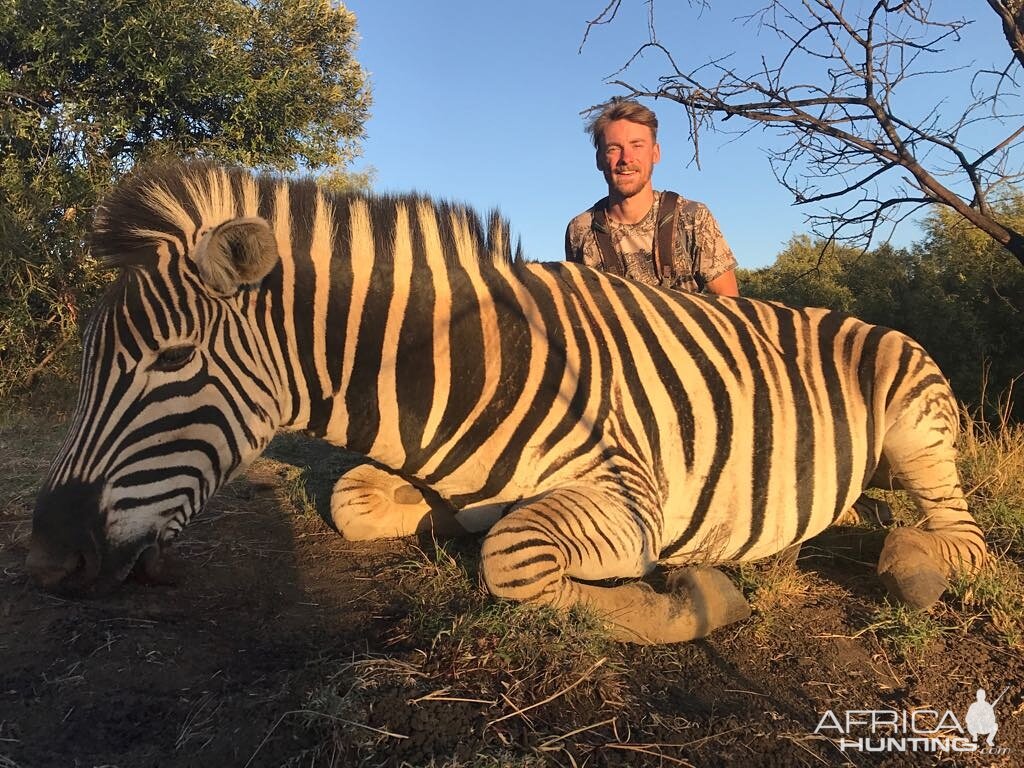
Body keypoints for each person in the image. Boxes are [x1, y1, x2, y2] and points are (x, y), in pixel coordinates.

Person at [565, 98, 739, 297]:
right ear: (599, 159)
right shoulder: (580, 229)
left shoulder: (693, 217)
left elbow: (730, 307)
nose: (626, 158)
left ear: (655, 153)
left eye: (637, 145)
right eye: (614, 148)